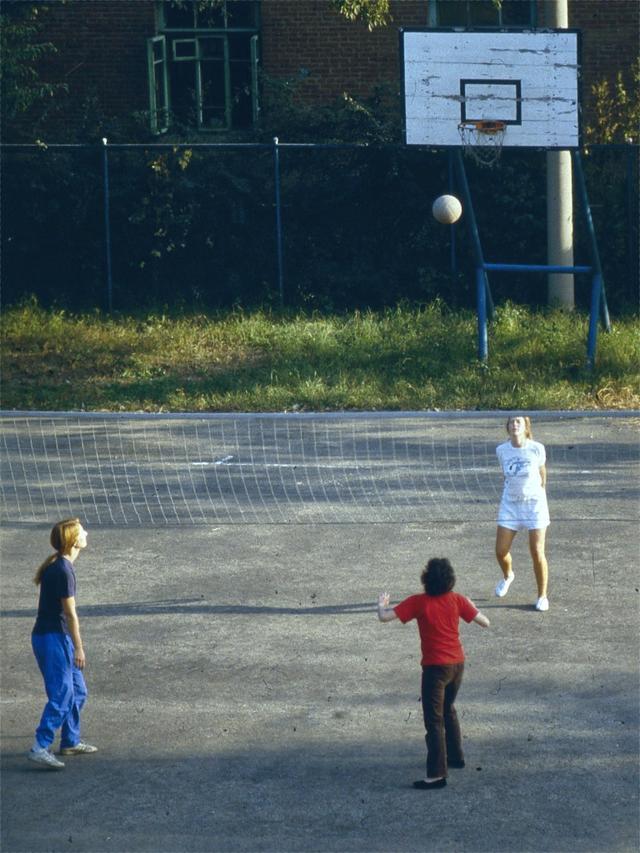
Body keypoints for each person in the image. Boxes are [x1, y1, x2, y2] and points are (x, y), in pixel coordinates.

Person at [377, 558, 490, 790]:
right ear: (450, 580)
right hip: (457, 665)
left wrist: (381, 604)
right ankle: (456, 757)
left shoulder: (419, 602)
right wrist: (471, 605)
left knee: (434, 720)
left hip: (435, 669)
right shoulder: (457, 599)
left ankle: (437, 774)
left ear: (426, 580)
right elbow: (485, 623)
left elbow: (384, 617)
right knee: (448, 710)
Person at [28, 518, 97, 770]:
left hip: (57, 637)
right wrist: (79, 647)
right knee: (62, 694)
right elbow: (70, 615)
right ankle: (40, 746)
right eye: (82, 532)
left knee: (78, 691)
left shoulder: (59, 565)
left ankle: (70, 741)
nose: (86, 533)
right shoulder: (63, 571)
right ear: (73, 541)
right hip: (52, 639)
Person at [494, 414, 550, 611]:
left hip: (534, 506)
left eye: (518, 421)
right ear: (507, 427)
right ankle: (508, 575)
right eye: (511, 421)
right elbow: (505, 475)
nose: (514, 424)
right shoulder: (501, 450)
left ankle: (542, 596)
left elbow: (543, 473)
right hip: (510, 505)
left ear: (526, 426)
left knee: (536, 552)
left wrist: (538, 494)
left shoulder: (537, 448)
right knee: (500, 551)